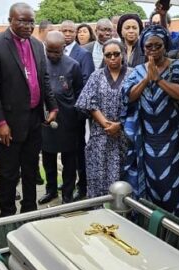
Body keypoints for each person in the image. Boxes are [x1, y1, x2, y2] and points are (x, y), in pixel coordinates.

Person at [0, 3, 57, 217]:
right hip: (8, 122)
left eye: (31, 21)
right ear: (10, 20)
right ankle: (7, 216)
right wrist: (0, 123)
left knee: (31, 169)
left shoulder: (36, 44)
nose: (27, 25)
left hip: (34, 119)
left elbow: (44, 78)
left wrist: (52, 105)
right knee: (9, 173)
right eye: (22, 20)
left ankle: (30, 212)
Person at [121, 25, 179, 218]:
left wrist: (160, 80)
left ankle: (174, 224)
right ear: (143, 48)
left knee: (173, 182)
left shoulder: (177, 66)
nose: (153, 49)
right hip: (146, 139)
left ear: (166, 46)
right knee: (148, 182)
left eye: (158, 45)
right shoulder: (137, 71)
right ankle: (150, 223)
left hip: (173, 138)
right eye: (148, 46)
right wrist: (147, 79)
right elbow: (128, 96)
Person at [75, 40, 131, 198]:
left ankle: (125, 213)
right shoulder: (96, 76)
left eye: (116, 54)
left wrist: (119, 125)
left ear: (123, 54)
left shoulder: (133, 74)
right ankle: (99, 212)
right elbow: (89, 102)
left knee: (124, 176)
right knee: (99, 176)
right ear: (104, 57)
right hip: (101, 135)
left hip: (125, 134)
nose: (112, 58)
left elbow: (137, 104)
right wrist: (107, 125)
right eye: (108, 55)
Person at [39, 31, 83, 204]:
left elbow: (80, 91)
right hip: (47, 119)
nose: (52, 55)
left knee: (69, 161)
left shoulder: (73, 65)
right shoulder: (40, 63)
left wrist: (76, 116)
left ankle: (67, 193)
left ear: (64, 48)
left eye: (57, 51)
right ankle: (51, 190)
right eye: (49, 51)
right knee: (48, 158)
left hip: (68, 120)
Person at [59, 20, 95, 201]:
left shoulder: (83, 54)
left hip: (75, 113)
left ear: (75, 33)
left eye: (70, 31)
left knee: (78, 151)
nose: (67, 33)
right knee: (64, 153)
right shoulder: (54, 53)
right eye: (64, 30)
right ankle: (66, 185)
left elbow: (86, 82)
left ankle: (82, 186)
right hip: (58, 114)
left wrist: (76, 109)